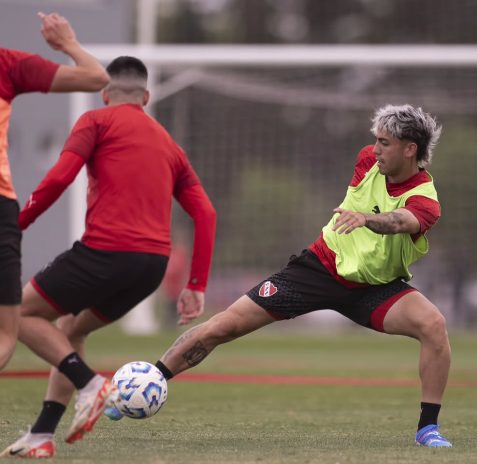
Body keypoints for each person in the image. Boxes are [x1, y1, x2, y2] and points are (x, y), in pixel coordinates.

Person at [136, 104, 453, 448]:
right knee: (224, 325)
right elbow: (376, 185)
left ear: (410, 149)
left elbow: (404, 221)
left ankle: (427, 429)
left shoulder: (425, 199)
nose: (375, 149)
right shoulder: (368, 161)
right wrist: (361, 215)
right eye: (376, 141)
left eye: (385, 143)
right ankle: (147, 382)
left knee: (433, 325)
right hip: (318, 268)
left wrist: (366, 219)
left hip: (374, 289)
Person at [0, 56, 217, 459]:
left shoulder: (96, 121)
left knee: (22, 316)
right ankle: (41, 435)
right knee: (70, 329)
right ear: (147, 97)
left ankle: (89, 384)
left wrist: (17, 222)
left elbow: (60, 177)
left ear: (104, 93)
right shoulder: (170, 144)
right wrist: (196, 285)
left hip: (106, 251)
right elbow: (206, 213)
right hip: (151, 267)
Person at [0, 11, 109, 371]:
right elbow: (96, 77)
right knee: (5, 335)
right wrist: (67, 43)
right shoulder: (7, 64)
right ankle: (88, 384)